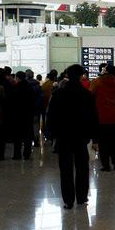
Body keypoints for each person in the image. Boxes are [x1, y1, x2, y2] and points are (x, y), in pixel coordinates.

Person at [45, 65, 95, 209]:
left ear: (67, 75)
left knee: (65, 169)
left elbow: (51, 115)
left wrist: (50, 134)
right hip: (81, 135)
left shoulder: (58, 93)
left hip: (63, 135)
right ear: (81, 76)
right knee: (82, 167)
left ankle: (68, 200)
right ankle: (82, 197)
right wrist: (94, 136)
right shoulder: (86, 94)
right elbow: (92, 116)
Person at [91, 64, 115, 172]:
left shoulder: (96, 82)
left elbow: (91, 96)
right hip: (113, 116)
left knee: (102, 142)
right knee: (112, 142)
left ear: (105, 71)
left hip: (99, 115)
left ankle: (106, 165)